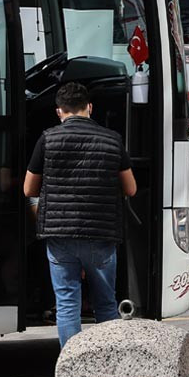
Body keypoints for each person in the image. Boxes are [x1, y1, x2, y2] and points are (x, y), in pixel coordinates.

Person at [24, 82, 137, 348]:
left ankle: (72, 368)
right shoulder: (112, 139)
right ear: (90, 108)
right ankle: (105, 366)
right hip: (101, 234)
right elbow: (131, 188)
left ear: (59, 111)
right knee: (106, 304)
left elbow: (29, 188)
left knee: (66, 304)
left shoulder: (47, 138)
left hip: (59, 235)